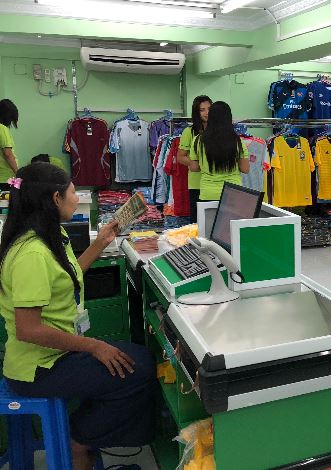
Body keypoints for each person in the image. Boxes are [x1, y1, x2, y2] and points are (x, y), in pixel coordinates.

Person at [0, 163, 155, 470]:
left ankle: (84, 435)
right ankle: (79, 442)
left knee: (139, 357)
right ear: (56, 198)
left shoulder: (51, 235)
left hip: (57, 354)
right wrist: (94, 346)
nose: (78, 197)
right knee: (138, 373)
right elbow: (28, 329)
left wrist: (101, 242)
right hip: (38, 368)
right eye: (74, 192)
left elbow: (68, 278)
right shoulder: (32, 254)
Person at [188, 101, 249, 201]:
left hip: (208, 192)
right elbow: (245, 169)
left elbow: (194, 168)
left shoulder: (198, 140)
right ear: (229, 118)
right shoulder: (237, 141)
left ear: (210, 117)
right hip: (233, 192)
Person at [177, 95, 212, 222]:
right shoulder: (189, 132)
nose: (207, 113)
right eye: (202, 110)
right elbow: (180, 157)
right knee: (198, 223)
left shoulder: (220, 131)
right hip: (197, 184)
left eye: (209, 109)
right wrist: (199, 164)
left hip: (216, 185)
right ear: (197, 113)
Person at [0, 99, 19, 189]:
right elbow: (8, 154)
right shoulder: (2, 128)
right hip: (7, 178)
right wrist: (18, 173)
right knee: (11, 198)